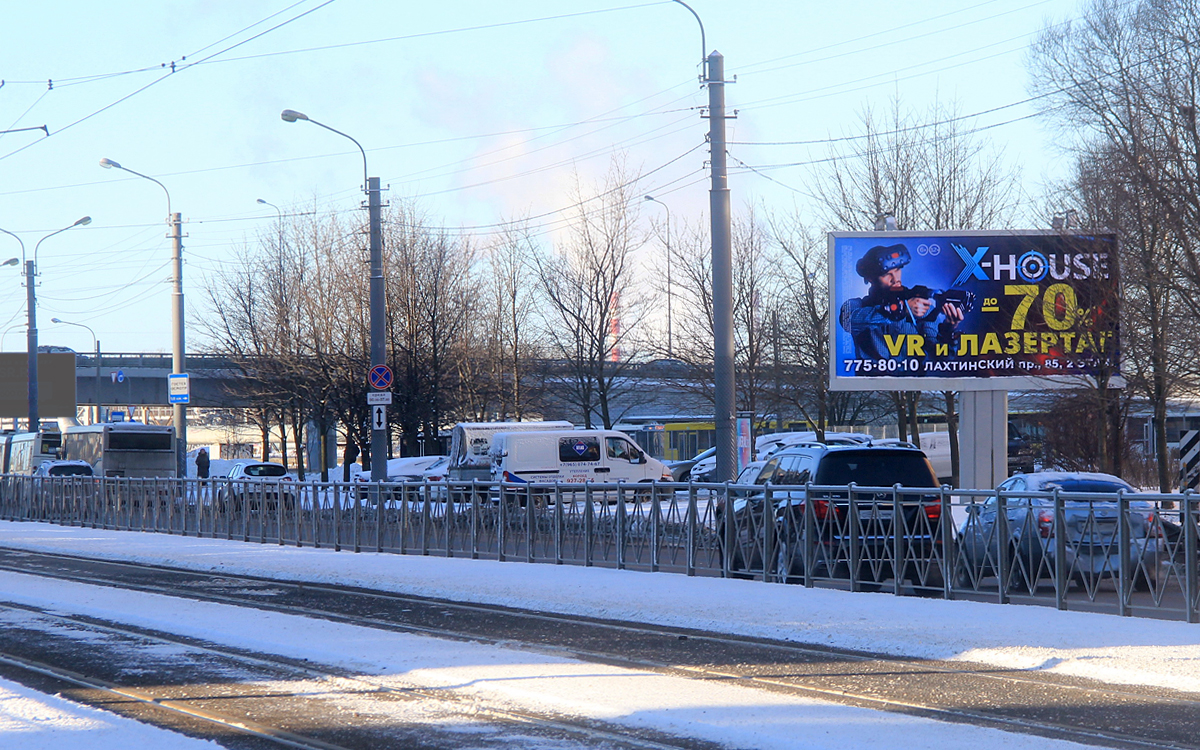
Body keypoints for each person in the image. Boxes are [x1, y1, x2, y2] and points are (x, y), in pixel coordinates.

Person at [839, 243, 964, 362]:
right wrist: (902, 309)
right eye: (887, 274)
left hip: (913, 382)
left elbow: (941, 357)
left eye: (898, 270)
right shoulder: (856, 305)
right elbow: (848, 321)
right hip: (870, 382)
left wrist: (948, 330)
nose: (896, 279)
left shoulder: (921, 308)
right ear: (871, 278)